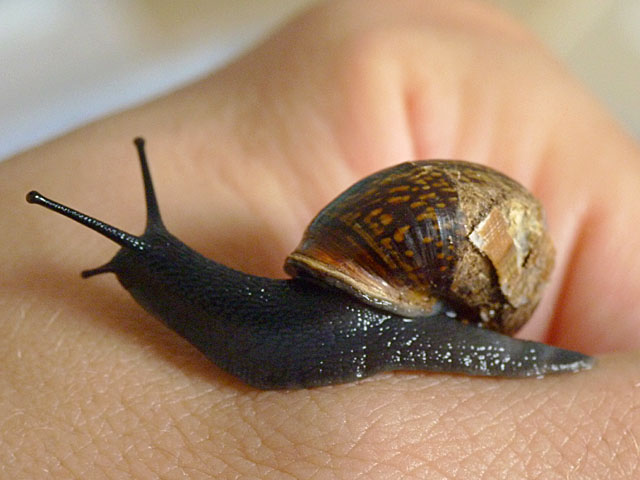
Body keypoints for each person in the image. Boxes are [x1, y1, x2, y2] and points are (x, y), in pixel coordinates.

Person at [2, 1, 639, 477]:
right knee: (167, 264)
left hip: (413, 294)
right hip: (397, 290)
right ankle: (144, 263)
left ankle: (144, 263)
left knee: (172, 267)